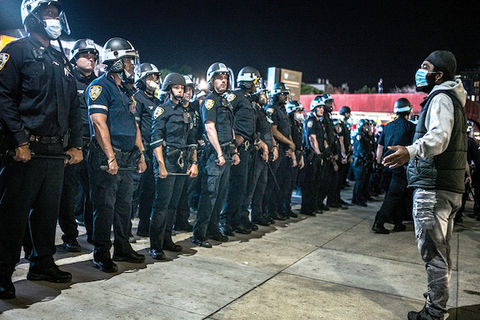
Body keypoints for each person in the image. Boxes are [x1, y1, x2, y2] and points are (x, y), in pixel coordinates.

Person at [0, 0, 83, 299]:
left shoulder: (60, 59)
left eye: (57, 14)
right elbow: (4, 98)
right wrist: (19, 140)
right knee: (12, 217)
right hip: (26, 151)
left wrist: (76, 144)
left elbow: (75, 105)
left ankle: (42, 264)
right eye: (49, 13)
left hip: (55, 153)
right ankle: (2, 274)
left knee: (47, 215)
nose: (55, 18)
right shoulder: (16, 51)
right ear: (33, 18)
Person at [383, 51, 467, 320]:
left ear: (439, 74)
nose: (419, 71)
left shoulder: (441, 98)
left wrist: (411, 150)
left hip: (434, 188)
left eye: (425, 67)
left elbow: (439, 138)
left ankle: (434, 313)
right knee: (440, 252)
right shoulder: (453, 100)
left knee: (433, 254)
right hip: (447, 188)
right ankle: (436, 307)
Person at [86, 37, 147, 273]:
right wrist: (110, 156)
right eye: (128, 60)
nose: (132, 64)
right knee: (105, 207)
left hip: (127, 158)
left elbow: (135, 126)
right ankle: (101, 253)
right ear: (116, 61)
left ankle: (122, 247)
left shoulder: (126, 90)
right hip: (107, 158)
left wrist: (140, 155)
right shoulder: (100, 86)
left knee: (124, 207)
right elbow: (98, 123)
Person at [148, 73, 198, 260]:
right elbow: (156, 140)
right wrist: (161, 165)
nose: (181, 90)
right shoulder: (163, 110)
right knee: (161, 205)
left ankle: (167, 239)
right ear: (169, 89)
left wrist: (194, 163)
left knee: (173, 205)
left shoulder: (187, 112)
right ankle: (156, 245)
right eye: (177, 87)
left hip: (182, 163)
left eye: (182, 88)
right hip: (167, 161)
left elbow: (192, 140)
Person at [192, 62, 240, 248]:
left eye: (225, 78)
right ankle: (200, 234)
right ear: (211, 80)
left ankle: (213, 229)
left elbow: (230, 128)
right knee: (209, 195)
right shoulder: (210, 101)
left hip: (227, 152)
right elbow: (210, 127)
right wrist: (220, 153)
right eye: (219, 78)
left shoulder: (225, 101)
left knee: (220, 194)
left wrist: (234, 151)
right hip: (214, 156)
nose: (223, 81)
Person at [59, 38, 99, 251]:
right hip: (72, 144)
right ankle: (70, 236)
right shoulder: (67, 79)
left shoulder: (99, 83)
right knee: (70, 193)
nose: (90, 59)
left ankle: (93, 234)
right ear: (75, 58)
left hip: (93, 145)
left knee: (93, 192)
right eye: (86, 55)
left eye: (93, 56)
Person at [221, 66, 264, 236]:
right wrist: (234, 144)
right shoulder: (235, 96)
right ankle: (225, 220)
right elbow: (225, 118)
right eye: (255, 81)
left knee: (241, 188)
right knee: (232, 187)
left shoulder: (248, 99)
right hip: (236, 148)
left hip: (247, 149)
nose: (257, 85)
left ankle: (236, 220)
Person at [372, 98, 415, 234]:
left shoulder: (387, 126)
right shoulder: (411, 127)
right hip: (399, 166)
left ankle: (398, 223)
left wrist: (378, 163)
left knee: (396, 195)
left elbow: (380, 146)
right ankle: (379, 222)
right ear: (408, 110)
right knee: (394, 195)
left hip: (385, 165)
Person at [132, 62, 161, 237]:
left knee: (150, 191)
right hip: (141, 150)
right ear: (142, 79)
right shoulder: (137, 98)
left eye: (155, 77)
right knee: (134, 192)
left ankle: (144, 225)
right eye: (150, 77)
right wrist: (140, 151)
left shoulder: (157, 101)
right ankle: (125, 229)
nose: (153, 80)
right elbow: (136, 125)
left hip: (153, 151)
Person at [265, 82, 296, 220]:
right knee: (273, 183)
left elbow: (287, 130)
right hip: (277, 150)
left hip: (285, 151)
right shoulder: (272, 109)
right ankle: (269, 211)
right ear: (276, 95)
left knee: (282, 183)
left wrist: (291, 146)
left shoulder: (283, 110)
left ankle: (279, 209)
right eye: (283, 94)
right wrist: (289, 143)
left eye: (286, 94)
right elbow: (274, 131)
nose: (285, 96)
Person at [300, 99, 326, 215]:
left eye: (322, 108)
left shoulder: (318, 121)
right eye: (319, 108)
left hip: (316, 156)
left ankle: (313, 206)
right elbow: (312, 139)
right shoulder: (311, 121)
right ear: (314, 108)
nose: (322, 110)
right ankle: (307, 208)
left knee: (316, 183)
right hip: (311, 156)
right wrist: (318, 154)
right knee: (309, 184)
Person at [286, 100, 305, 216]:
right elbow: (290, 141)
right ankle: (283, 208)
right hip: (290, 156)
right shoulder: (289, 123)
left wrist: (301, 157)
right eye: (297, 111)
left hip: (297, 154)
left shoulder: (298, 124)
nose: (299, 113)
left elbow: (300, 142)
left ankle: (287, 207)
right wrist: (293, 157)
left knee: (291, 186)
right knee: (286, 185)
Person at [352, 119, 373, 207]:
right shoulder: (359, 136)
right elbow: (361, 150)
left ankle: (362, 197)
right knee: (359, 181)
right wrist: (366, 158)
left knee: (364, 181)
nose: (367, 128)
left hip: (365, 161)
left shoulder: (366, 136)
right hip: (360, 161)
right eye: (365, 126)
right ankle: (357, 199)